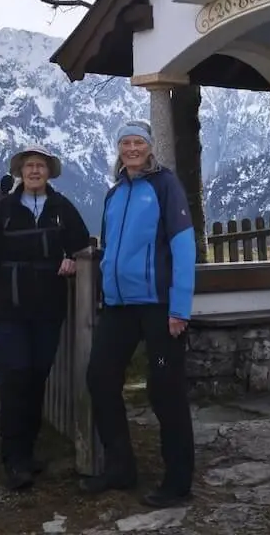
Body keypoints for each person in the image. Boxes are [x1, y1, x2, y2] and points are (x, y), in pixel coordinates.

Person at [81, 119, 197, 508]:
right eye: (125, 143)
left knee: (165, 389)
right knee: (99, 378)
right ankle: (120, 467)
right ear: (119, 149)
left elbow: (183, 247)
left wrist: (180, 307)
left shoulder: (166, 186)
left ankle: (178, 482)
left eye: (138, 143)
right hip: (119, 306)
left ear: (149, 148)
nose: (131, 149)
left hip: (160, 307)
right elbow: (109, 249)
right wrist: (103, 293)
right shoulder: (115, 195)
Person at [0, 144, 90, 489]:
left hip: (47, 308)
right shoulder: (5, 209)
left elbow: (82, 242)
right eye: (29, 166)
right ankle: (15, 459)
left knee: (38, 375)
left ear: (49, 172)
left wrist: (72, 257)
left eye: (40, 165)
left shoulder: (61, 208)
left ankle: (28, 450)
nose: (34, 171)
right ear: (20, 172)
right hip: (10, 308)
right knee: (15, 378)